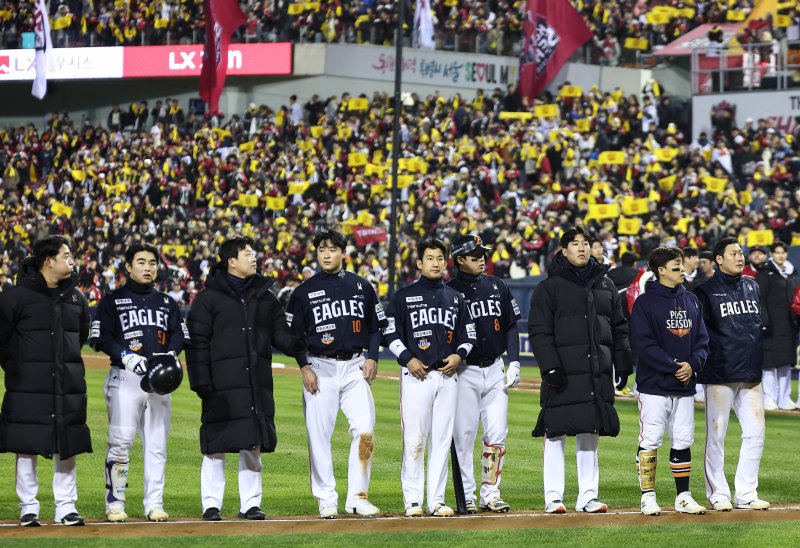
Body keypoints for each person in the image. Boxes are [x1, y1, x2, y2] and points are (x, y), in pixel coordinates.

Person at [186, 236, 305, 521]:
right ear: (231, 262)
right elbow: (197, 343)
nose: (254, 258)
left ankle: (250, 504)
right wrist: (202, 382)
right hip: (220, 383)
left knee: (253, 442)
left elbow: (280, 334)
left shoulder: (265, 296)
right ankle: (211, 504)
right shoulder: (207, 299)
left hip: (255, 382)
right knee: (215, 443)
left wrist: (301, 341)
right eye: (248, 254)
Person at [528, 226, 633, 514]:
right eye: (574, 244)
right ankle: (553, 497)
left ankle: (588, 496)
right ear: (563, 250)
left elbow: (619, 327)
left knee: (591, 431)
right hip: (561, 372)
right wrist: (549, 367)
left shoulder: (606, 285)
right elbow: (539, 331)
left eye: (585, 243)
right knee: (555, 432)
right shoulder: (548, 288)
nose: (582, 248)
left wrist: (623, 359)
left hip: (595, 370)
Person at [286, 230, 385, 519]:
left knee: (365, 430)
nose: (326, 254)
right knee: (319, 436)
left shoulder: (362, 286)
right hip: (319, 366)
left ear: (344, 252)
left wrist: (373, 357)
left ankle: (358, 497)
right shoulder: (303, 291)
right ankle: (326, 497)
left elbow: (375, 326)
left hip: (354, 366)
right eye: (321, 250)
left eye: (332, 249)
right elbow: (293, 334)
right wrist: (303, 365)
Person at [90, 243, 190, 523]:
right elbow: (100, 338)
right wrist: (124, 354)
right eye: (142, 262)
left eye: (153, 263)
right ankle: (115, 502)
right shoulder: (111, 300)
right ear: (129, 266)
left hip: (159, 380)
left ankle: (154, 503)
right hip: (126, 377)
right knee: (120, 443)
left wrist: (170, 353)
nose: (148, 268)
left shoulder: (167, 302)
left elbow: (180, 336)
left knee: (157, 446)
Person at [0, 236, 91, 527]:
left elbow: (82, 336)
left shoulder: (76, 297)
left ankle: (66, 506)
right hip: (28, 383)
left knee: (66, 442)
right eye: (66, 255)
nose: (71, 260)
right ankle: (29, 506)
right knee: (27, 443)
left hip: (68, 383)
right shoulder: (14, 297)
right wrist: (18, 367)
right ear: (48, 261)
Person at [383, 237, 476, 518]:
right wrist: (407, 359)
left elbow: (468, 335)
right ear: (420, 263)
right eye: (430, 258)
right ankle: (413, 500)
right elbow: (389, 333)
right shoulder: (403, 296)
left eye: (440, 258)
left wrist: (459, 355)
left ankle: (436, 500)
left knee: (442, 440)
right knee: (414, 439)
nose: (436, 263)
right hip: (416, 376)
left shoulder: (456, 298)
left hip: (447, 376)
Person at [629, 247, 709, 516]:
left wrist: (693, 364)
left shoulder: (692, 301)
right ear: (660, 270)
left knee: (683, 439)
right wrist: (674, 365)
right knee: (650, 439)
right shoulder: (644, 303)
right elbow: (643, 344)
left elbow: (702, 341)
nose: (682, 269)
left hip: (684, 385)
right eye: (676, 266)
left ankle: (683, 496)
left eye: (681, 265)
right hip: (654, 385)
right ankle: (648, 495)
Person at [447, 234, 522, 514]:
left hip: (493, 368)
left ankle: (490, 492)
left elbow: (511, 325)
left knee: (496, 433)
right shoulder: (449, 291)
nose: (482, 259)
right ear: (460, 260)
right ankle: (466, 494)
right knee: (463, 435)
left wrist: (514, 361)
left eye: (483, 254)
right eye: (475, 255)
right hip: (464, 372)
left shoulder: (497, 285)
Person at [694, 237, 769, 511]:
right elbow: (699, 334)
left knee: (756, 432)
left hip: (750, 373)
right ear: (718, 259)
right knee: (717, 435)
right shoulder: (704, 291)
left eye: (741, 252)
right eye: (734, 253)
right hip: (720, 372)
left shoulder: (752, 286)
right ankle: (717, 493)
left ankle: (746, 492)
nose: (740, 257)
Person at [755, 241, 798, 410]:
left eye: (783, 252)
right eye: (777, 252)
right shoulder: (765, 273)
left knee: (785, 362)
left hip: (788, 325)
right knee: (769, 363)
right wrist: (764, 321)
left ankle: (784, 399)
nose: (780, 255)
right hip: (770, 325)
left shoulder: (792, 273)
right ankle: (768, 398)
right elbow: (760, 300)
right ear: (772, 254)